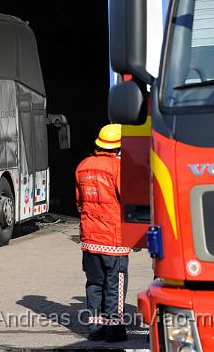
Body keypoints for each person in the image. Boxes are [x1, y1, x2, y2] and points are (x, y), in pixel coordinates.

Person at [75, 123, 128, 343]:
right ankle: (114, 331)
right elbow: (128, 200)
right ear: (118, 147)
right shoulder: (118, 168)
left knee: (94, 284)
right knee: (115, 285)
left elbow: (79, 203)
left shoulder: (83, 166)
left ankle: (95, 329)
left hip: (90, 238)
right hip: (113, 239)